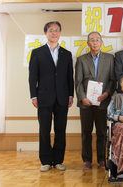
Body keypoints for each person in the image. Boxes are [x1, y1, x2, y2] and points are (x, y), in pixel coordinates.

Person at [29, 21, 74, 172]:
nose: (54, 33)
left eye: (57, 30)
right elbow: (32, 77)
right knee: (44, 129)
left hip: (62, 97)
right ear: (46, 33)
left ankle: (58, 160)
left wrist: (70, 95)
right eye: (51, 30)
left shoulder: (66, 54)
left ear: (60, 33)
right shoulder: (37, 52)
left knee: (60, 129)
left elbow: (70, 77)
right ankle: (46, 161)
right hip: (43, 97)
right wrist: (33, 96)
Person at [75, 31, 116, 169]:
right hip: (86, 103)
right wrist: (82, 98)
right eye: (92, 40)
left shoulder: (110, 59)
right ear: (88, 43)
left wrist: (106, 93)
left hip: (102, 102)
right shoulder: (81, 60)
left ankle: (101, 158)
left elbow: (112, 80)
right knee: (86, 133)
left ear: (101, 42)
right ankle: (86, 159)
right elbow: (78, 82)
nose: (94, 42)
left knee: (102, 132)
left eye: (97, 39)